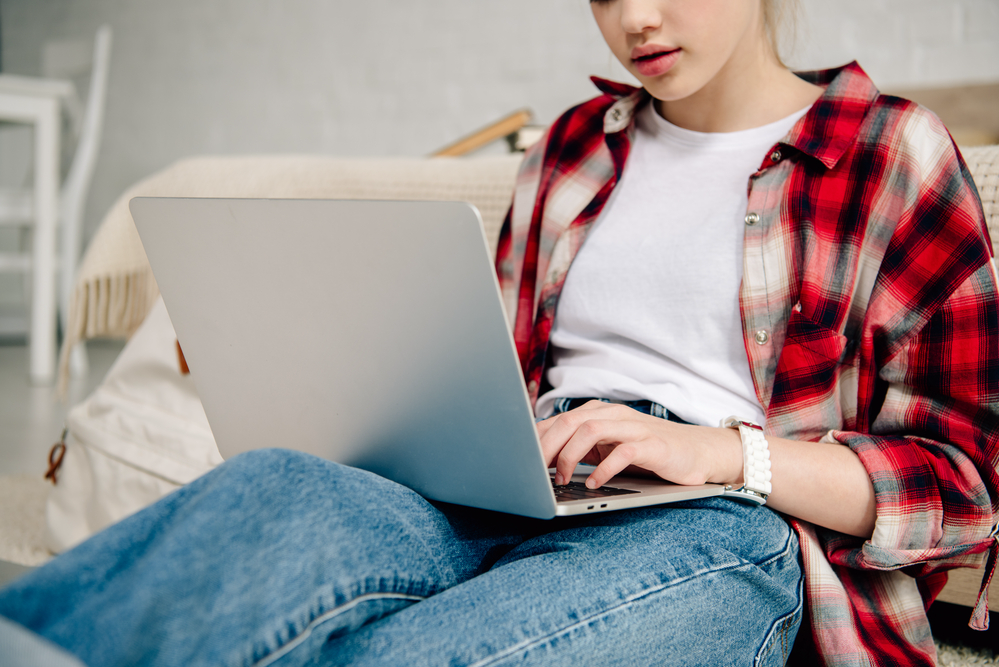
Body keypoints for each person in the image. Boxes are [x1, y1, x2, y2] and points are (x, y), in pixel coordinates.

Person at [2, 0, 998, 665]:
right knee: (273, 487)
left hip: (721, 524)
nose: (633, 19)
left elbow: (965, 478)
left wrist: (716, 452)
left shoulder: (891, 151)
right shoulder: (572, 148)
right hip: (521, 481)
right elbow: (493, 373)